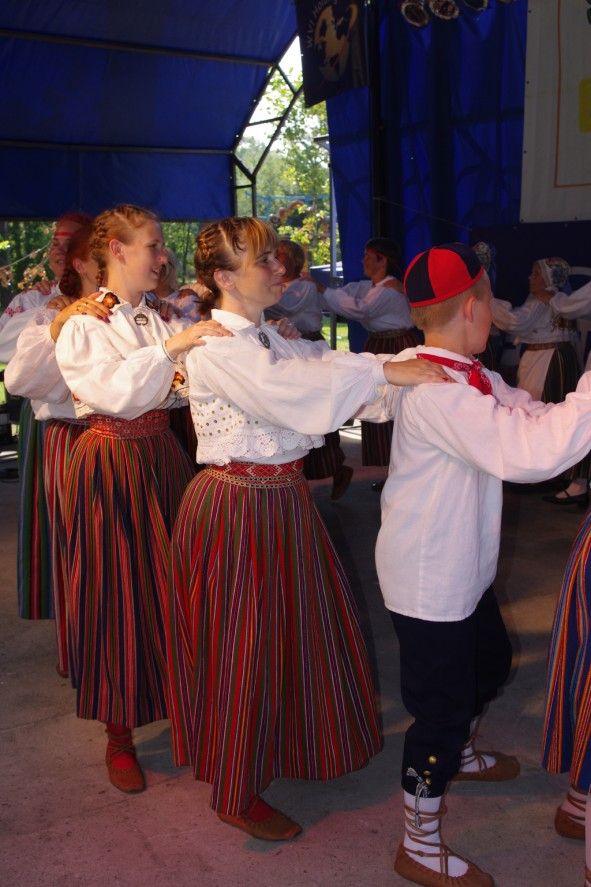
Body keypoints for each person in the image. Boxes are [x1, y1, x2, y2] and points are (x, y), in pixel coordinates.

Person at [165, 216, 449, 842]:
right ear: (222, 278)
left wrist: (420, 359)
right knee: (242, 642)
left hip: (282, 502)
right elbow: (291, 390)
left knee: (287, 634)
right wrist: (383, 374)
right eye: (263, 260)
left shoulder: (272, 336)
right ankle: (234, 787)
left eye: (276, 257)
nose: (280, 269)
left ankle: (282, 747)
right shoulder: (218, 349)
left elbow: (326, 363)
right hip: (238, 508)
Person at [373, 243, 591, 887]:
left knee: (491, 662)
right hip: (429, 581)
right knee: (438, 712)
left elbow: (530, 415)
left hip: (461, 568)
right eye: (491, 300)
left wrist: (568, 410)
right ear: (472, 309)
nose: (497, 311)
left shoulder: (470, 374)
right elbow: (529, 453)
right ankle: (417, 841)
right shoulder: (439, 392)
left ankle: (461, 753)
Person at [53, 204, 231, 794]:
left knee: (173, 584)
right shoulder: (85, 323)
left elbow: (178, 391)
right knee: (116, 591)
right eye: (152, 245)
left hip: (161, 455)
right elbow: (115, 393)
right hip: (110, 460)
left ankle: (180, 699)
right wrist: (173, 350)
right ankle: (119, 734)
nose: (161, 256)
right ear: (117, 250)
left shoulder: (153, 317)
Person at [4, 224, 107, 677]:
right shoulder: (40, 304)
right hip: (66, 429)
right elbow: (14, 365)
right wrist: (52, 317)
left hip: (124, 438)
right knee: (68, 540)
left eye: (71, 244)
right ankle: (82, 648)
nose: (60, 253)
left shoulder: (133, 308)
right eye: (56, 245)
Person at [321, 238, 419, 486]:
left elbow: (361, 309)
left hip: (396, 347)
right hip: (380, 344)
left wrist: (324, 291)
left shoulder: (389, 290)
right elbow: (353, 292)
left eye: (368, 256)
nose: (363, 260)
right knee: (378, 404)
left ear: (382, 260)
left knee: (397, 405)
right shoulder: (372, 287)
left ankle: (404, 469)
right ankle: (391, 469)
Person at [265, 238, 354, 499]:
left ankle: (336, 467)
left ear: (293, 260)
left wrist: (256, 297)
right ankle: (304, 472)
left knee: (319, 406)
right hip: (288, 347)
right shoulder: (279, 286)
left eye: (279, 255)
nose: (275, 261)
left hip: (309, 345)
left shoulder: (304, 286)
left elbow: (285, 306)